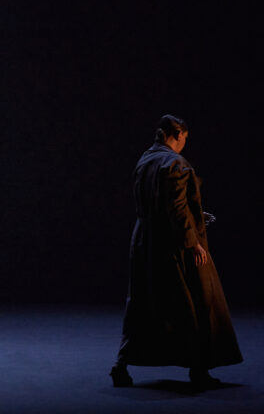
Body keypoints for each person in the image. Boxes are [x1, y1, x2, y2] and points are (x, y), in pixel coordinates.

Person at [110, 115, 242, 390]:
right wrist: (193, 242)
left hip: (145, 241)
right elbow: (177, 207)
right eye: (184, 139)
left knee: (143, 304)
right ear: (178, 135)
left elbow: (160, 204)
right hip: (170, 245)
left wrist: (195, 217)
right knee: (196, 300)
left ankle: (121, 365)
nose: (184, 144)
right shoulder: (175, 163)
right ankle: (199, 369)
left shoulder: (145, 160)